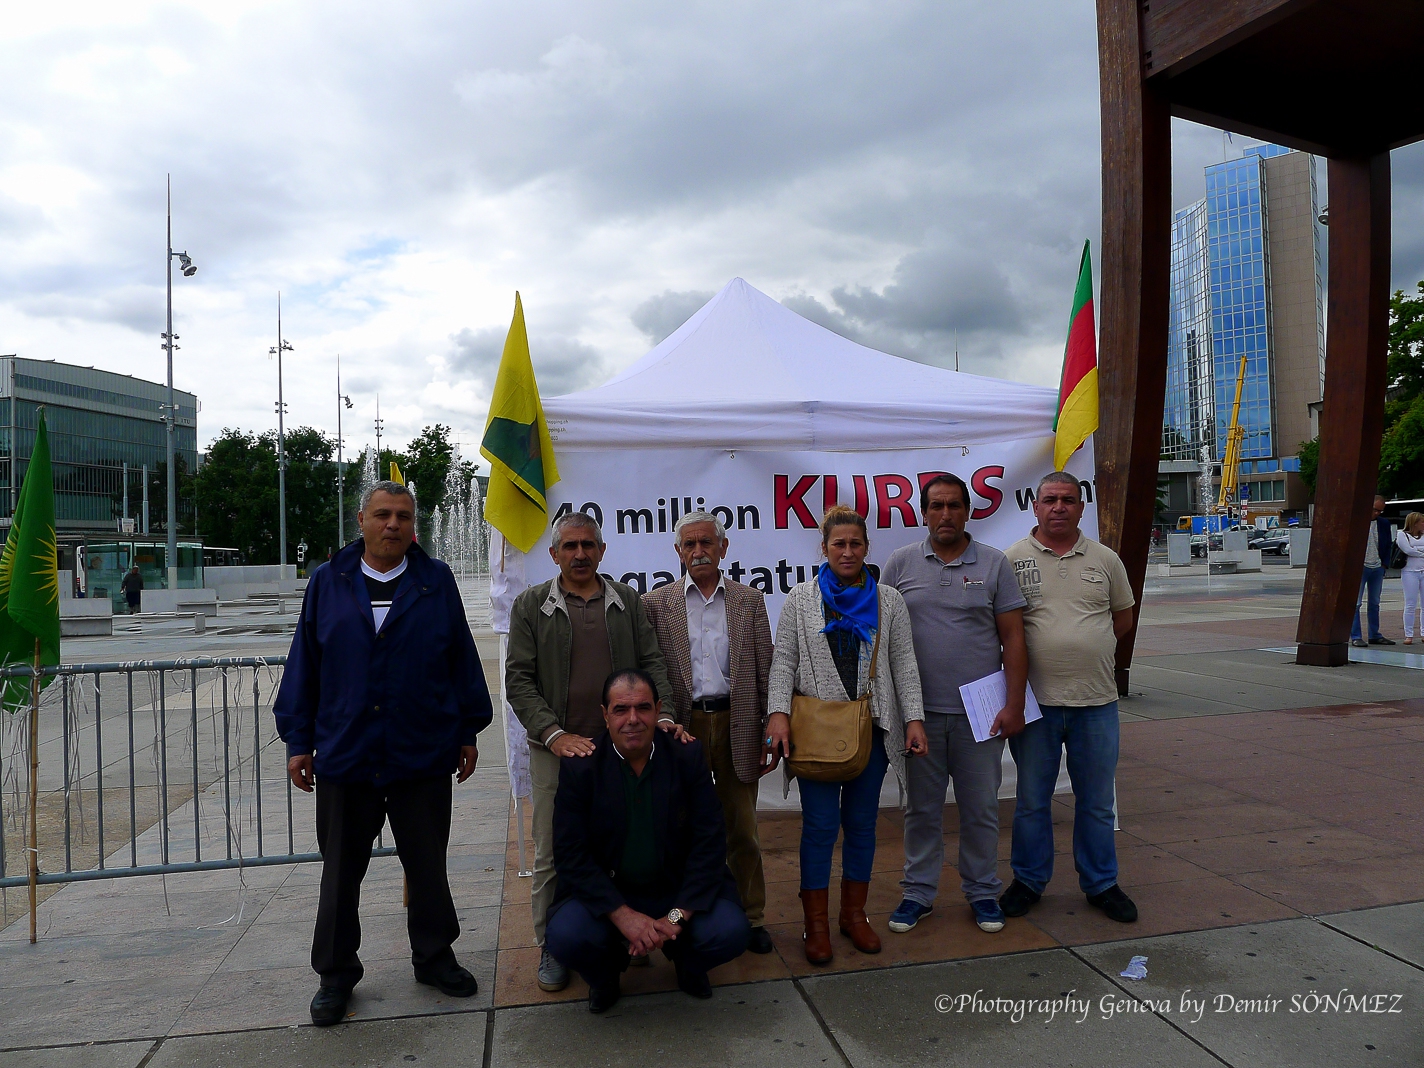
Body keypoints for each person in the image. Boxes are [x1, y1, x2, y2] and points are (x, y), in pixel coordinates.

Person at [274, 481, 493, 1026]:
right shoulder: (329, 582)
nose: (392, 525)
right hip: (348, 753)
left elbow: (460, 657)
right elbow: (306, 660)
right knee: (341, 871)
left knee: (427, 865)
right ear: (361, 520)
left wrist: (467, 729)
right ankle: (336, 974)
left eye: (403, 516)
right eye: (382, 515)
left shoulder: (434, 582)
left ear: (413, 525)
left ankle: (435, 956)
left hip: (419, 751)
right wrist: (299, 740)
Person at [505, 511, 673, 994]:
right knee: (553, 853)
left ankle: (623, 937)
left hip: (623, 748)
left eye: (588, 545)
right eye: (570, 546)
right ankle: (553, 946)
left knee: (623, 845)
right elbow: (519, 679)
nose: (580, 554)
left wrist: (662, 717)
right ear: (554, 554)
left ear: (602, 551)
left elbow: (653, 662)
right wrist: (554, 734)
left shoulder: (626, 601)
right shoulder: (531, 605)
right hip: (557, 749)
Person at [767, 505, 927, 965]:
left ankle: (853, 916)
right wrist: (777, 714)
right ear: (823, 548)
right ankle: (814, 925)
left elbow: (904, 665)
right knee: (819, 828)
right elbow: (784, 663)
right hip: (816, 733)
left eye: (856, 543)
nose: (847, 551)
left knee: (861, 825)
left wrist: (913, 719)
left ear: (866, 547)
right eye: (838, 543)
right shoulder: (800, 599)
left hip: (872, 732)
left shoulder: (889, 600)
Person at [545, 669, 749, 1013]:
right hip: (613, 896)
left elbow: (710, 843)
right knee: (566, 936)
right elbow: (570, 855)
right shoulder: (581, 768)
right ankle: (605, 974)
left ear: (658, 710)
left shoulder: (686, 756)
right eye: (621, 710)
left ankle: (688, 962)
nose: (633, 719)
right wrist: (624, 917)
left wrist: (674, 918)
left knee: (730, 930)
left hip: (673, 892)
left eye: (643, 708)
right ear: (605, 714)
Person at [879, 474, 1028, 935]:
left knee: (981, 807)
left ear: (969, 511)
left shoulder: (994, 563)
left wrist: (1015, 704)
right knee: (920, 809)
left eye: (954, 506)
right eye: (936, 506)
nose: (945, 515)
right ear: (923, 514)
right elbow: (881, 638)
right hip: (918, 716)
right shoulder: (900, 564)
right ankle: (917, 894)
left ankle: (983, 892)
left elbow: (1013, 637)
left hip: (981, 715)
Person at [1001, 471, 1138, 924]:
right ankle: (1028, 881)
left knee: (1097, 801)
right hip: (1035, 704)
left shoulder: (1105, 559)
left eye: (1068, 500)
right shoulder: (1011, 559)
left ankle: (1101, 884)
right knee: (1032, 801)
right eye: (1049, 500)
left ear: (1082, 507)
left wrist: (1086, 645)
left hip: (1096, 703)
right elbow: (1003, 629)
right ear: (1034, 507)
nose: (1058, 507)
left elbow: (1122, 617)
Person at [642, 511, 777, 955]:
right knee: (678, 828)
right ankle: (680, 916)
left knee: (743, 829)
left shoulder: (749, 601)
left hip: (737, 722)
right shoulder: (655, 604)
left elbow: (766, 669)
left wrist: (769, 726)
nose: (698, 551)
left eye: (706, 542)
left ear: (723, 547)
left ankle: (751, 916)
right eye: (689, 545)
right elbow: (650, 670)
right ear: (678, 552)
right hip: (683, 727)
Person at [1352, 495, 1396, 648]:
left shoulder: (1383, 523)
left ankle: (1374, 634)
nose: (1377, 513)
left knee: (1374, 602)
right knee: (1356, 603)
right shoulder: (1356, 521)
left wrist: (1384, 563)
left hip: (1377, 566)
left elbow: (1388, 544)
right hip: (1360, 566)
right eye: (1375, 510)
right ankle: (1356, 635)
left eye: (1380, 511)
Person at [1396, 512, 1424, 645]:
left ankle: (1423, 632)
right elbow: (1408, 550)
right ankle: (1409, 634)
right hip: (1409, 572)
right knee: (1410, 603)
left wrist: (1416, 550)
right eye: (1422, 522)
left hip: (1423, 571)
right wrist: (1420, 551)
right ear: (1414, 523)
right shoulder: (1402, 534)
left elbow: (1414, 550)